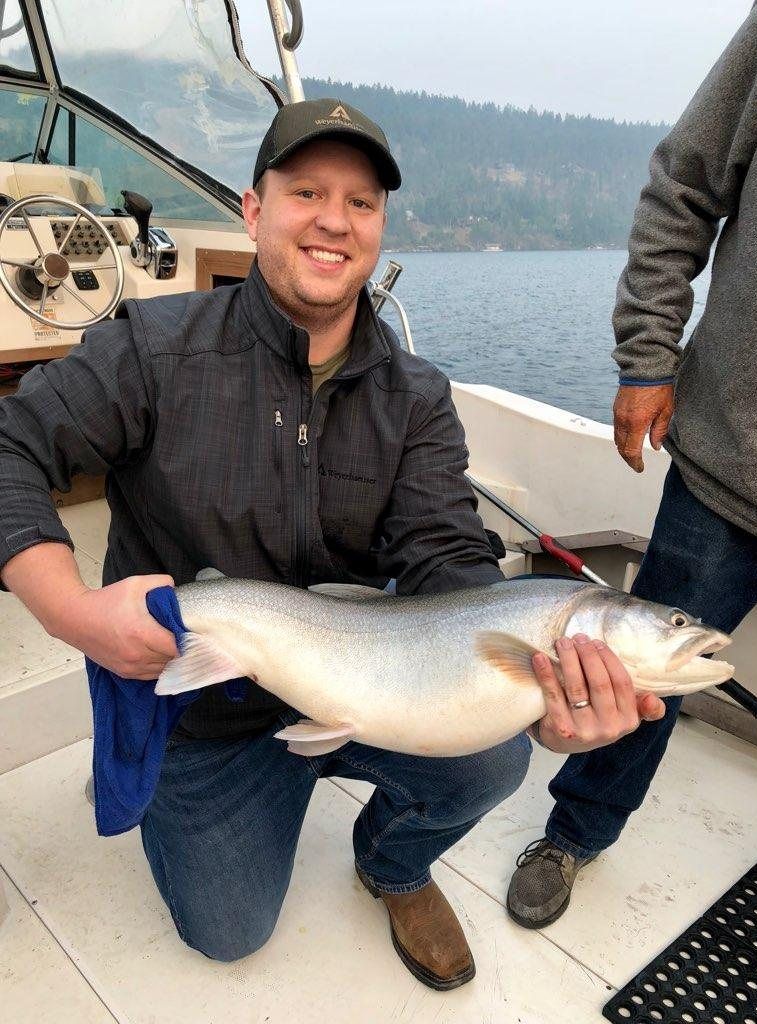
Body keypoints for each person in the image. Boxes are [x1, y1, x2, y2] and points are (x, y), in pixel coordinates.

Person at [0, 98, 661, 988]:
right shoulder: (153, 351)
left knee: (494, 753)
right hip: (207, 706)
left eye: (361, 202)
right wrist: (75, 614)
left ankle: (391, 862)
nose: (333, 221)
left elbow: (446, 557)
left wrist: (538, 685)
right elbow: (12, 446)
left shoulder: (417, 398)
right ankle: (182, 796)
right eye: (307, 190)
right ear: (253, 207)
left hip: (372, 681)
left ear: (380, 227)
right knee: (228, 932)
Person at [507, 0, 757, 930]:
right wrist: (648, 355)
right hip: (735, 462)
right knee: (639, 669)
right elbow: (685, 183)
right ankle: (575, 832)